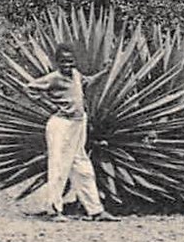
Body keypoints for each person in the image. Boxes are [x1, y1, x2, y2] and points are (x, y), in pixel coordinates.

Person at [22, 43, 119, 222]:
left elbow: (88, 82)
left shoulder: (75, 75)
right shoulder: (54, 78)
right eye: (63, 62)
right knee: (58, 166)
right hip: (61, 125)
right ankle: (53, 210)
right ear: (57, 62)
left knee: (82, 167)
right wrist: (50, 105)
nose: (67, 65)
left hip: (78, 124)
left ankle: (95, 210)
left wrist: (104, 72)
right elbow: (29, 88)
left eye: (70, 61)